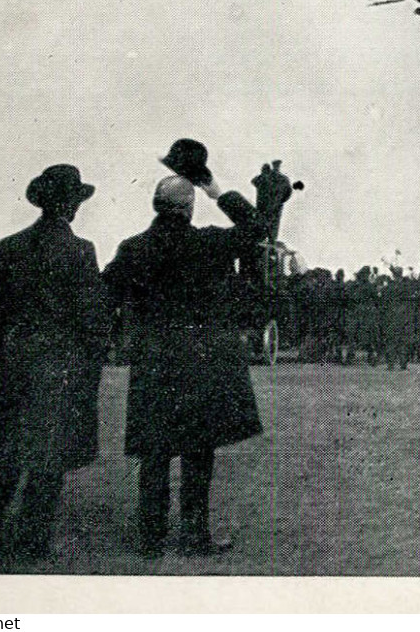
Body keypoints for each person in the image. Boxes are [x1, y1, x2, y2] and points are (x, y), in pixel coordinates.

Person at [104, 145, 295, 557]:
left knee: (154, 455)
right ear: (189, 208)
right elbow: (259, 227)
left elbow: (104, 296)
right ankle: (194, 535)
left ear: (155, 205)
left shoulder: (133, 248)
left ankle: (151, 538)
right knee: (197, 454)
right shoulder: (210, 243)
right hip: (204, 361)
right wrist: (216, 190)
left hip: (155, 362)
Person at [0, 165, 112, 561]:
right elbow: (93, 317)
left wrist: (7, 346)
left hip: (17, 363)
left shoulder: (10, 246)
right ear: (71, 205)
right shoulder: (81, 250)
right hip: (61, 366)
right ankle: (32, 539)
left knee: (2, 453)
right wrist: (89, 363)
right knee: (48, 458)